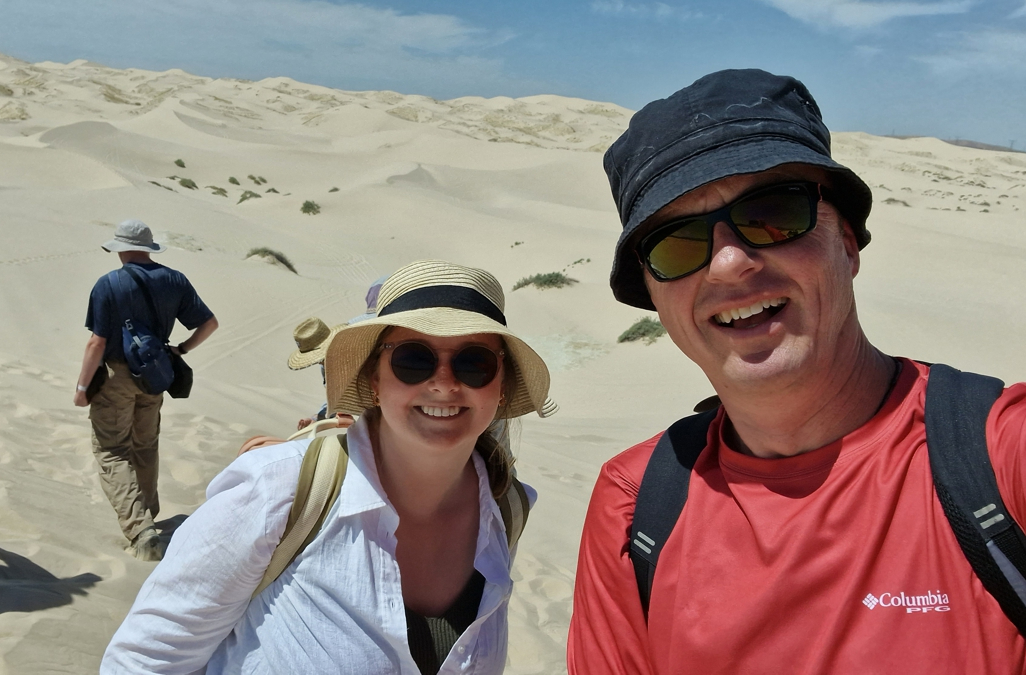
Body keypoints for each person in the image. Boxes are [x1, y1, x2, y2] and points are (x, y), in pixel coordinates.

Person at [567, 68, 1026, 673]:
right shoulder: (633, 508)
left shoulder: (1002, 458)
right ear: (655, 296)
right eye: (676, 245)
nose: (729, 263)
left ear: (848, 243)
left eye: (774, 214)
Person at [102, 259, 554, 674]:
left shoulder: (506, 508)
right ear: (374, 378)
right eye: (413, 358)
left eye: (473, 362)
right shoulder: (278, 487)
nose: (443, 383)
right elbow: (143, 660)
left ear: (501, 385)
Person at [74, 219, 218, 561]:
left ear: (120, 248)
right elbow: (209, 323)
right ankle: (148, 515)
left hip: (115, 377)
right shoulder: (174, 279)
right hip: (154, 376)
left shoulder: (108, 284)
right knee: (145, 445)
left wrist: (82, 387)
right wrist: (179, 350)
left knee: (112, 450)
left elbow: (96, 343)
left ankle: (140, 529)